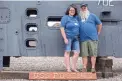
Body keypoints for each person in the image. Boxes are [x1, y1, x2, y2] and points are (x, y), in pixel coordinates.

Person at [79, 3, 102, 72]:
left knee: (93, 54)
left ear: (87, 8)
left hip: (93, 38)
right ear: (81, 9)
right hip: (83, 39)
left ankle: (92, 68)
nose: (83, 8)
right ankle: (84, 67)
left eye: (84, 7)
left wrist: (98, 32)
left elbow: (100, 24)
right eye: (82, 7)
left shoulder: (92, 15)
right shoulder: (79, 17)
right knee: (84, 54)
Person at [60, 5, 80, 72]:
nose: (72, 11)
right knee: (67, 52)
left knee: (77, 52)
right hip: (68, 37)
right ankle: (68, 68)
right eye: (71, 10)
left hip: (76, 38)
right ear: (68, 11)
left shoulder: (76, 18)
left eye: (73, 10)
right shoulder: (65, 17)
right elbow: (62, 28)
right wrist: (65, 38)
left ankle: (74, 68)